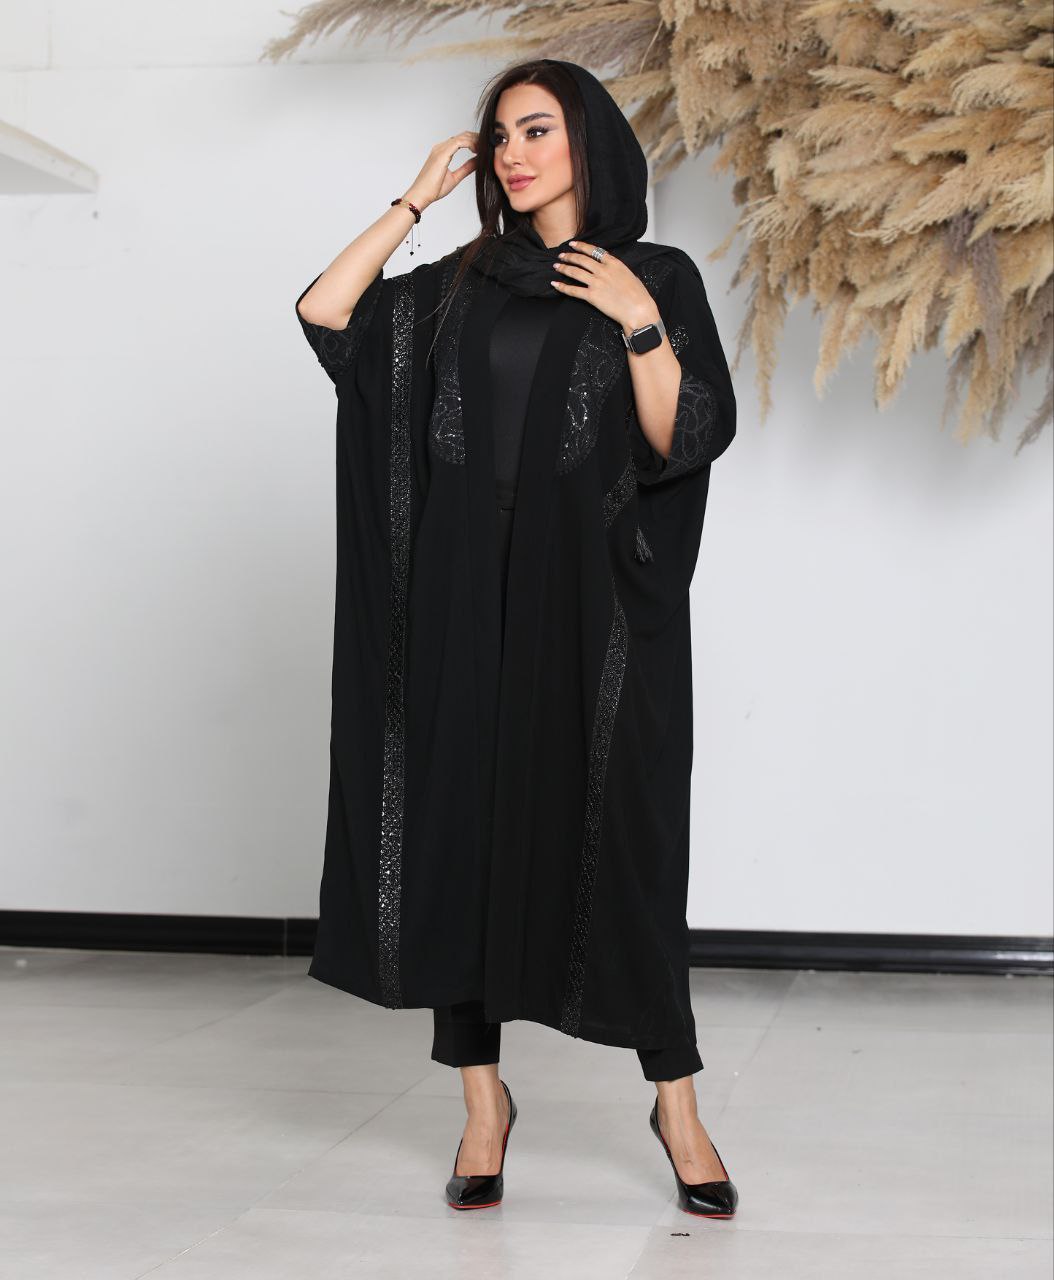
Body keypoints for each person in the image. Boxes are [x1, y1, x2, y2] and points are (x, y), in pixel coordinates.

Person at [295, 58, 738, 1217]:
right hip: (458, 600)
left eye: (537, 129)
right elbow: (328, 315)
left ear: (589, 140)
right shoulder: (457, 285)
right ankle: (483, 1105)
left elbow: (685, 435)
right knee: (461, 839)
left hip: (594, 607)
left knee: (627, 843)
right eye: (499, 135)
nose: (512, 153)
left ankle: (677, 1103)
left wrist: (638, 322)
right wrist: (413, 200)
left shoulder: (654, 276)